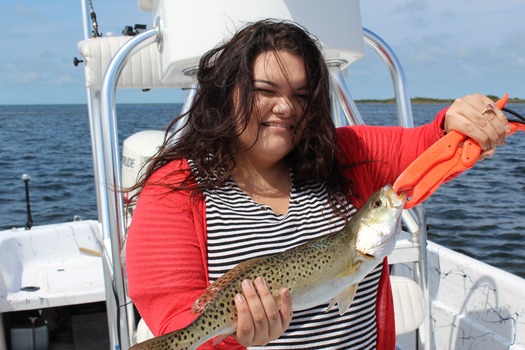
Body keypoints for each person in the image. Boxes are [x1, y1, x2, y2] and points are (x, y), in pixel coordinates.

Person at [125, 19, 509, 349]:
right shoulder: (175, 188)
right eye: (266, 90)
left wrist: (457, 124)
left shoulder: (346, 154)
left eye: (302, 95)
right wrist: (232, 336)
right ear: (227, 92)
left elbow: (427, 146)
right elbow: (173, 312)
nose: (287, 107)